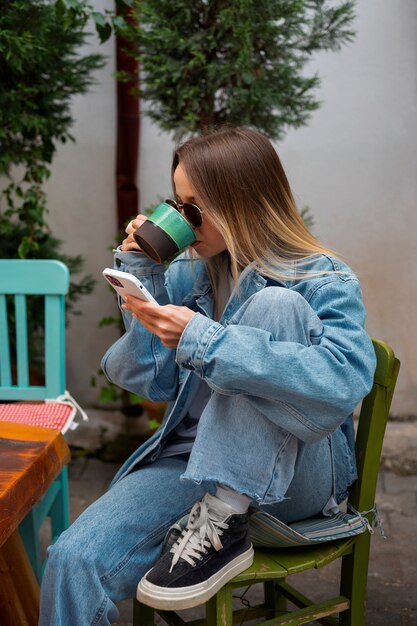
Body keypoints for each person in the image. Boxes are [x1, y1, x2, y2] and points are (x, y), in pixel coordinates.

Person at [39, 126, 376, 625]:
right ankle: (219, 515)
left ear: (241, 202)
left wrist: (205, 339)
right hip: (194, 462)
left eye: (195, 206)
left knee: (273, 304)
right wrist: (142, 277)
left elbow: (341, 385)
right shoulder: (187, 275)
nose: (182, 219)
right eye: (177, 203)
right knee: (73, 560)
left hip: (297, 473)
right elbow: (144, 379)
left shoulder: (321, 278)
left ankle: (226, 515)